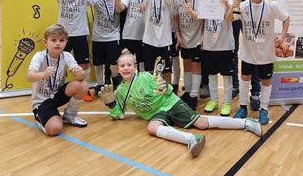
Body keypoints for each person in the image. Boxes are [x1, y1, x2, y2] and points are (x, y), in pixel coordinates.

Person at [98, 49, 262, 158]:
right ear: (118, 69)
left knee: (202, 123)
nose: (126, 68)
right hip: (156, 114)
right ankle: (191, 139)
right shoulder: (119, 91)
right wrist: (111, 104)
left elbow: (167, 89)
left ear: (135, 67)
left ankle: (245, 123)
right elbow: (118, 114)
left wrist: (166, 86)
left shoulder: (146, 77)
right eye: (122, 66)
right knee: (152, 128)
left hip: (170, 103)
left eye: (129, 65)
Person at [39, 0, 118, 102]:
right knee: (58, 63)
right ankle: (57, 88)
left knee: (84, 64)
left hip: (81, 35)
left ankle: (85, 89)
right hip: (63, 36)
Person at [230, 0, 290, 125]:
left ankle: (263, 109)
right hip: (248, 52)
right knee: (244, 79)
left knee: (266, 80)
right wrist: (232, 7)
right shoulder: (242, 6)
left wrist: (282, 35)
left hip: (266, 53)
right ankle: (243, 107)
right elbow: (229, 19)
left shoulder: (272, 6)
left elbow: (286, 18)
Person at [27, 24, 89, 136]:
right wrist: (43, 74)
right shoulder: (39, 56)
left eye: (62, 40)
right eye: (53, 40)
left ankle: (70, 115)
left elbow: (80, 78)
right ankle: (42, 118)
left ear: (66, 42)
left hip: (56, 95)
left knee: (83, 85)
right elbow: (29, 76)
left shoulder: (66, 56)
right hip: (42, 101)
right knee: (54, 129)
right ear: (46, 42)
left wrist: (80, 73)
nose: (58, 43)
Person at [200, 0, 235, 116]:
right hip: (209, 45)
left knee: (227, 75)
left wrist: (227, 5)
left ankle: (227, 102)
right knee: (211, 74)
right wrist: (201, 38)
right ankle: (214, 100)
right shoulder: (204, 1)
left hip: (225, 45)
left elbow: (230, 18)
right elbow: (201, 21)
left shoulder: (230, 1)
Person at [139, 0, 177, 84]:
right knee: (149, 70)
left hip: (165, 41)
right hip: (149, 40)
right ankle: (150, 93)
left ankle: (168, 93)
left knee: (166, 71)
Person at [173, 0, 203, 111]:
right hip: (184, 38)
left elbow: (205, 18)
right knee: (186, 63)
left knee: (196, 64)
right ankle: (188, 91)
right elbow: (175, 16)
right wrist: (177, 33)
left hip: (198, 37)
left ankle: (194, 94)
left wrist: (192, 12)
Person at [87, 0, 121, 95]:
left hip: (113, 36)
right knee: (98, 62)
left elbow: (121, 8)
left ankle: (116, 80)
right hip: (98, 37)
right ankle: (100, 83)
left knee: (113, 62)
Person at [115, 0, 146, 72]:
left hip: (144, 36)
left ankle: (142, 86)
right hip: (129, 35)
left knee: (143, 64)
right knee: (128, 63)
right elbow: (120, 8)